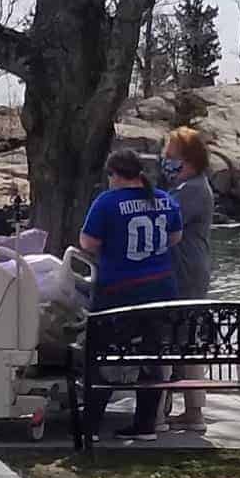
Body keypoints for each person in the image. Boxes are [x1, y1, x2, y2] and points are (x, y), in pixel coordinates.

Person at [80, 148, 183, 441]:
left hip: (120, 290)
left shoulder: (107, 202)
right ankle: (146, 424)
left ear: (114, 175)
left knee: (102, 354)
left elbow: (88, 242)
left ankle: (93, 424)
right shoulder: (164, 199)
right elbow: (176, 237)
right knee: (152, 354)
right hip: (161, 288)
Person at [161, 127, 214, 433]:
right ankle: (179, 406)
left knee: (180, 340)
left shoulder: (192, 190)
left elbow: (165, 220)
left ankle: (190, 410)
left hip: (187, 272)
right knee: (182, 340)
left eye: (171, 156)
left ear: (189, 160)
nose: (166, 162)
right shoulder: (184, 187)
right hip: (183, 269)